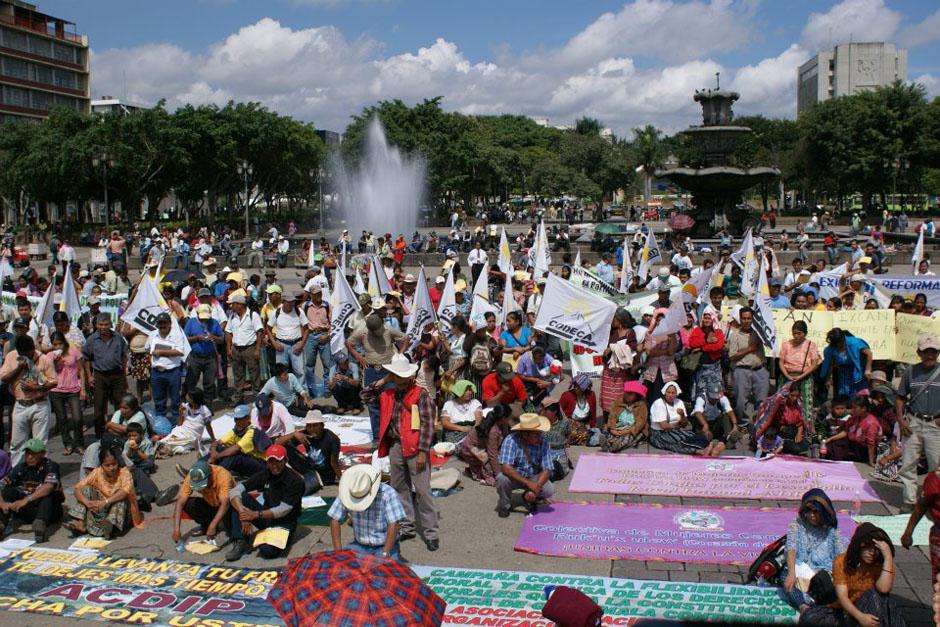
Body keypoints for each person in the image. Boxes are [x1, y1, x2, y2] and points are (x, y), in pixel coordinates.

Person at [361, 353, 439, 550]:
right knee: (399, 488)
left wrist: (423, 451)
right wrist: (384, 380)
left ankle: (431, 532)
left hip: (415, 447)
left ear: (410, 376)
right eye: (396, 375)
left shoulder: (421, 395)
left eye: (402, 375)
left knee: (422, 491)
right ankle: (407, 526)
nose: (401, 379)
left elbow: (428, 425)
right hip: (396, 446)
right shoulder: (388, 393)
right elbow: (365, 395)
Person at [798, 523, 903, 627]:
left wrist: (888, 556)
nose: (872, 553)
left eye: (876, 550)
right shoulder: (842, 561)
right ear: (859, 546)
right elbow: (842, 597)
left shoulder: (884, 565)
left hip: (873, 607)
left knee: (877, 596)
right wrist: (861, 617)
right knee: (809, 618)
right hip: (846, 609)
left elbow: (883, 589)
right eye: (868, 548)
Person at [225, 444, 304, 561]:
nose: (274, 465)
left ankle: (271, 537)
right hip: (266, 517)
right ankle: (241, 541)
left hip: (284, 522)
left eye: (278, 461)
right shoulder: (265, 473)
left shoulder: (296, 481)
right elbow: (235, 490)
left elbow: (283, 510)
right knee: (240, 498)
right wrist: (243, 513)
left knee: (267, 551)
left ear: (285, 460)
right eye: (270, 462)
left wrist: (255, 515)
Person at [780, 489, 845, 609]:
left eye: (816, 512)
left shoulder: (832, 529)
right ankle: (803, 607)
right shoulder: (797, 523)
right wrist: (791, 573)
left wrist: (832, 575)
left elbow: (841, 554)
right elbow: (791, 547)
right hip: (800, 567)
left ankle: (819, 602)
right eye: (809, 511)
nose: (811, 515)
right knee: (785, 577)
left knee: (833, 587)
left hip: (824, 572)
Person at [896, 335, 940, 513]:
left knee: (936, 466)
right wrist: (901, 420)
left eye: (933, 352)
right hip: (913, 421)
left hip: (935, 424)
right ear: (919, 353)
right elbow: (899, 397)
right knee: (908, 464)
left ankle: (934, 500)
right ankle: (909, 501)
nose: (930, 355)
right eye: (926, 352)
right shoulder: (911, 372)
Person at [328, 463, 407, 560]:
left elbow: (394, 524)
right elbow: (334, 518)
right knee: (343, 568)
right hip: (360, 545)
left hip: (384, 545)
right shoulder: (350, 490)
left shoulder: (388, 493)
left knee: (384, 572)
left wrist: (385, 552)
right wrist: (338, 551)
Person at [346, 313, 406, 440]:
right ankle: (377, 437)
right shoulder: (362, 332)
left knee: (391, 402)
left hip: (388, 370)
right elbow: (349, 343)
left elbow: (406, 338)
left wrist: (399, 355)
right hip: (371, 371)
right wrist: (359, 357)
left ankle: (392, 435)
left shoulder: (389, 330)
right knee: (373, 405)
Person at [0, 335, 57, 465]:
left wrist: (36, 387)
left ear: (33, 349)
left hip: (40, 404)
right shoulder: (12, 356)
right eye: (22, 354)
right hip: (20, 404)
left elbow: (53, 382)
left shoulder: (43, 360)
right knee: (17, 443)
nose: (25, 357)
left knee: (39, 442)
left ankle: (39, 472)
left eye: (28, 354)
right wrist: (19, 367)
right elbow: (4, 378)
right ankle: (16, 472)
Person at [65, 445, 142, 538]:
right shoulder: (97, 472)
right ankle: (81, 523)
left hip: (120, 509)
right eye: (107, 465)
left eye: (114, 464)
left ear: (118, 462)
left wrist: (105, 502)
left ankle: (111, 527)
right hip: (102, 506)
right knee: (85, 490)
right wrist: (87, 503)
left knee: (121, 497)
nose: (111, 468)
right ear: (101, 465)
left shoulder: (124, 472)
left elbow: (125, 491)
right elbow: (77, 488)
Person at [0, 438, 63, 542]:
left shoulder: (51, 466)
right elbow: (1, 484)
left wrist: (26, 500)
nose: (30, 457)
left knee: (49, 494)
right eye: (27, 454)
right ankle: (1, 524)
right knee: (7, 492)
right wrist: (2, 502)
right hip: (28, 510)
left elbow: (49, 486)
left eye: (33, 454)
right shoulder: (21, 468)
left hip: (49, 510)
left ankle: (40, 525)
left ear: (42, 454)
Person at [496, 413, 554, 517]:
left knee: (549, 489)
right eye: (536, 435)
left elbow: (548, 468)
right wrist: (528, 484)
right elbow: (506, 468)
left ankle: (529, 497)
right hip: (516, 476)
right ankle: (505, 505)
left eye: (539, 433)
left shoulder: (544, 443)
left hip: (533, 476)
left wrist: (537, 486)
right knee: (502, 479)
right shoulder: (511, 440)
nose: (539, 437)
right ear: (525, 434)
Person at [82, 314, 128, 438]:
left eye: (106, 324)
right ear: (96, 325)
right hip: (100, 375)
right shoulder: (92, 339)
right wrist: (89, 376)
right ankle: (100, 434)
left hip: (117, 374)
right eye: (100, 325)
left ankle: (120, 431)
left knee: (120, 404)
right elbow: (85, 358)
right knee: (99, 407)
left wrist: (124, 372)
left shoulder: (118, 338)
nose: (103, 327)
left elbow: (124, 355)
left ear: (110, 325)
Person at [648, 382, 723, 457]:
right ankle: (700, 451)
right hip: (659, 434)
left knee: (691, 436)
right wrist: (677, 425)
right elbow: (664, 426)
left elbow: (684, 424)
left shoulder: (679, 402)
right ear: (665, 393)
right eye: (668, 392)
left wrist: (682, 415)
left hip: (675, 430)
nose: (670, 395)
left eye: (673, 393)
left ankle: (710, 447)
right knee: (677, 441)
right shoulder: (658, 403)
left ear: (676, 394)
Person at [172, 459, 234, 544]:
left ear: (210, 475)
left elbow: (225, 504)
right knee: (188, 504)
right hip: (211, 504)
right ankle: (207, 525)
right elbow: (180, 503)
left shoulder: (223, 476)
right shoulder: (191, 476)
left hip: (229, 507)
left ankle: (219, 524)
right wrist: (176, 529)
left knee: (232, 531)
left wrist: (213, 526)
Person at [726, 307, 768, 428]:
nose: (746, 321)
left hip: (759, 369)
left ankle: (759, 425)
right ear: (740, 319)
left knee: (762, 400)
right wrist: (750, 349)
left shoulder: (759, 333)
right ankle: (743, 424)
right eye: (744, 318)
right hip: (741, 370)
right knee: (740, 401)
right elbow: (732, 356)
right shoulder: (735, 335)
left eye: (749, 318)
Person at [282, 410, 341, 495]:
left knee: (300, 491)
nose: (312, 429)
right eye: (309, 426)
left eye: (315, 426)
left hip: (322, 476)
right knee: (285, 448)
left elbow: (334, 463)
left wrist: (342, 480)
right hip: (309, 467)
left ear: (322, 425)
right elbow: (278, 444)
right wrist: (294, 434)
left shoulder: (332, 439)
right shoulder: (305, 433)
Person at [147, 313, 186, 434]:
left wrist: (162, 352)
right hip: (157, 372)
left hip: (172, 371)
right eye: (160, 323)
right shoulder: (153, 334)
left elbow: (180, 351)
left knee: (175, 400)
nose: (162, 325)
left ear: (170, 323)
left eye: (165, 323)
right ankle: (160, 427)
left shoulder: (177, 335)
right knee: (159, 400)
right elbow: (148, 349)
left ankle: (176, 426)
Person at [777, 321, 821, 429]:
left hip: (804, 376)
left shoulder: (811, 345)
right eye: (794, 333)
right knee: (783, 401)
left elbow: (814, 364)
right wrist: (787, 375)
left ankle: (807, 429)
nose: (796, 336)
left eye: (799, 333)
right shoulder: (786, 344)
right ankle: (782, 425)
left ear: (805, 333)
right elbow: (781, 362)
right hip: (786, 376)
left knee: (806, 403)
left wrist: (801, 376)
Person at [207, 405, 268, 477]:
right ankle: (201, 467)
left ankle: (214, 475)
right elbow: (217, 442)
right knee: (220, 448)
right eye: (235, 418)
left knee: (236, 456)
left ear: (248, 418)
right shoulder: (237, 430)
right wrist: (214, 451)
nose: (236, 421)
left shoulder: (253, 431)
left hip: (262, 464)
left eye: (239, 419)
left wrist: (216, 457)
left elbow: (236, 448)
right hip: (249, 461)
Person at [459, 405, 512, 486]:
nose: (510, 419)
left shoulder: (502, 424)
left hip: (482, 447)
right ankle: (479, 473)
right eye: (508, 417)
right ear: (503, 418)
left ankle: (475, 469)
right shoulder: (493, 430)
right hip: (469, 450)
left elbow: (505, 439)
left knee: (502, 459)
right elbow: (492, 455)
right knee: (494, 473)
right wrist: (498, 475)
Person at [225, 292, 263, 404]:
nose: (231, 306)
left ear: (239, 304)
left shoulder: (253, 315)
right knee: (238, 374)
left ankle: (257, 396)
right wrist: (229, 348)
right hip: (236, 349)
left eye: (233, 304)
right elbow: (228, 333)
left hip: (250, 348)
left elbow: (259, 332)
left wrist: (257, 349)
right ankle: (239, 397)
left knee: (254, 373)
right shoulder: (232, 316)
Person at [822, 395, 882, 465]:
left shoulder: (871, 423)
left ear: (864, 408)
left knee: (838, 448)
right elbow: (846, 431)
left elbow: (871, 444)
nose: (852, 410)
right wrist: (830, 439)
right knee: (832, 444)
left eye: (855, 408)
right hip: (853, 445)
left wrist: (871, 462)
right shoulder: (854, 418)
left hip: (863, 450)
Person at [184, 304, 223, 402]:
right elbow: (184, 338)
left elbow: (221, 339)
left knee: (209, 383)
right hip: (195, 357)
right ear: (197, 314)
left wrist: (213, 337)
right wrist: (196, 338)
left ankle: (208, 406)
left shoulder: (214, 323)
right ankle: (189, 404)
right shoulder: (191, 322)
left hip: (210, 357)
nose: (204, 320)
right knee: (191, 382)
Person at [820, 328, 872, 399]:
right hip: (843, 374)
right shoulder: (832, 348)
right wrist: (829, 378)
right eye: (836, 344)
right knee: (844, 395)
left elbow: (869, 353)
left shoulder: (855, 343)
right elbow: (830, 364)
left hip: (856, 371)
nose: (838, 345)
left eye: (839, 343)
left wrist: (868, 369)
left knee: (858, 395)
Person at [603, 381, 648, 453]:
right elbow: (612, 416)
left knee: (627, 438)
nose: (627, 395)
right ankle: (608, 444)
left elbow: (640, 423)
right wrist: (612, 429)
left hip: (632, 429)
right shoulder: (618, 402)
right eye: (626, 393)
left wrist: (627, 431)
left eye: (630, 394)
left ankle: (615, 447)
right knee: (611, 434)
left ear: (636, 395)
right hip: (618, 427)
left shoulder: (642, 406)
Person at [440, 380, 483, 445]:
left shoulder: (475, 402)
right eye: (466, 390)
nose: (469, 392)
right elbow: (445, 422)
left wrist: (471, 431)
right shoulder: (449, 404)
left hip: (471, 431)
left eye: (470, 390)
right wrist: (461, 428)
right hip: (454, 433)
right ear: (459, 391)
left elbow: (478, 421)